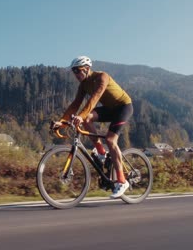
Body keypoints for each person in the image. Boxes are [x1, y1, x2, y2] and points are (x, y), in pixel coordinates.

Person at [53, 56, 134, 199]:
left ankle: (122, 181)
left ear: (87, 69)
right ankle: (102, 153)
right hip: (110, 108)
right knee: (87, 119)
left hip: (123, 107)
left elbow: (94, 99)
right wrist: (62, 121)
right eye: (74, 72)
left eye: (78, 71)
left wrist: (81, 116)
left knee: (110, 139)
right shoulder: (83, 85)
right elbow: (75, 104)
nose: (76, 75)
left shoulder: (102, 77)